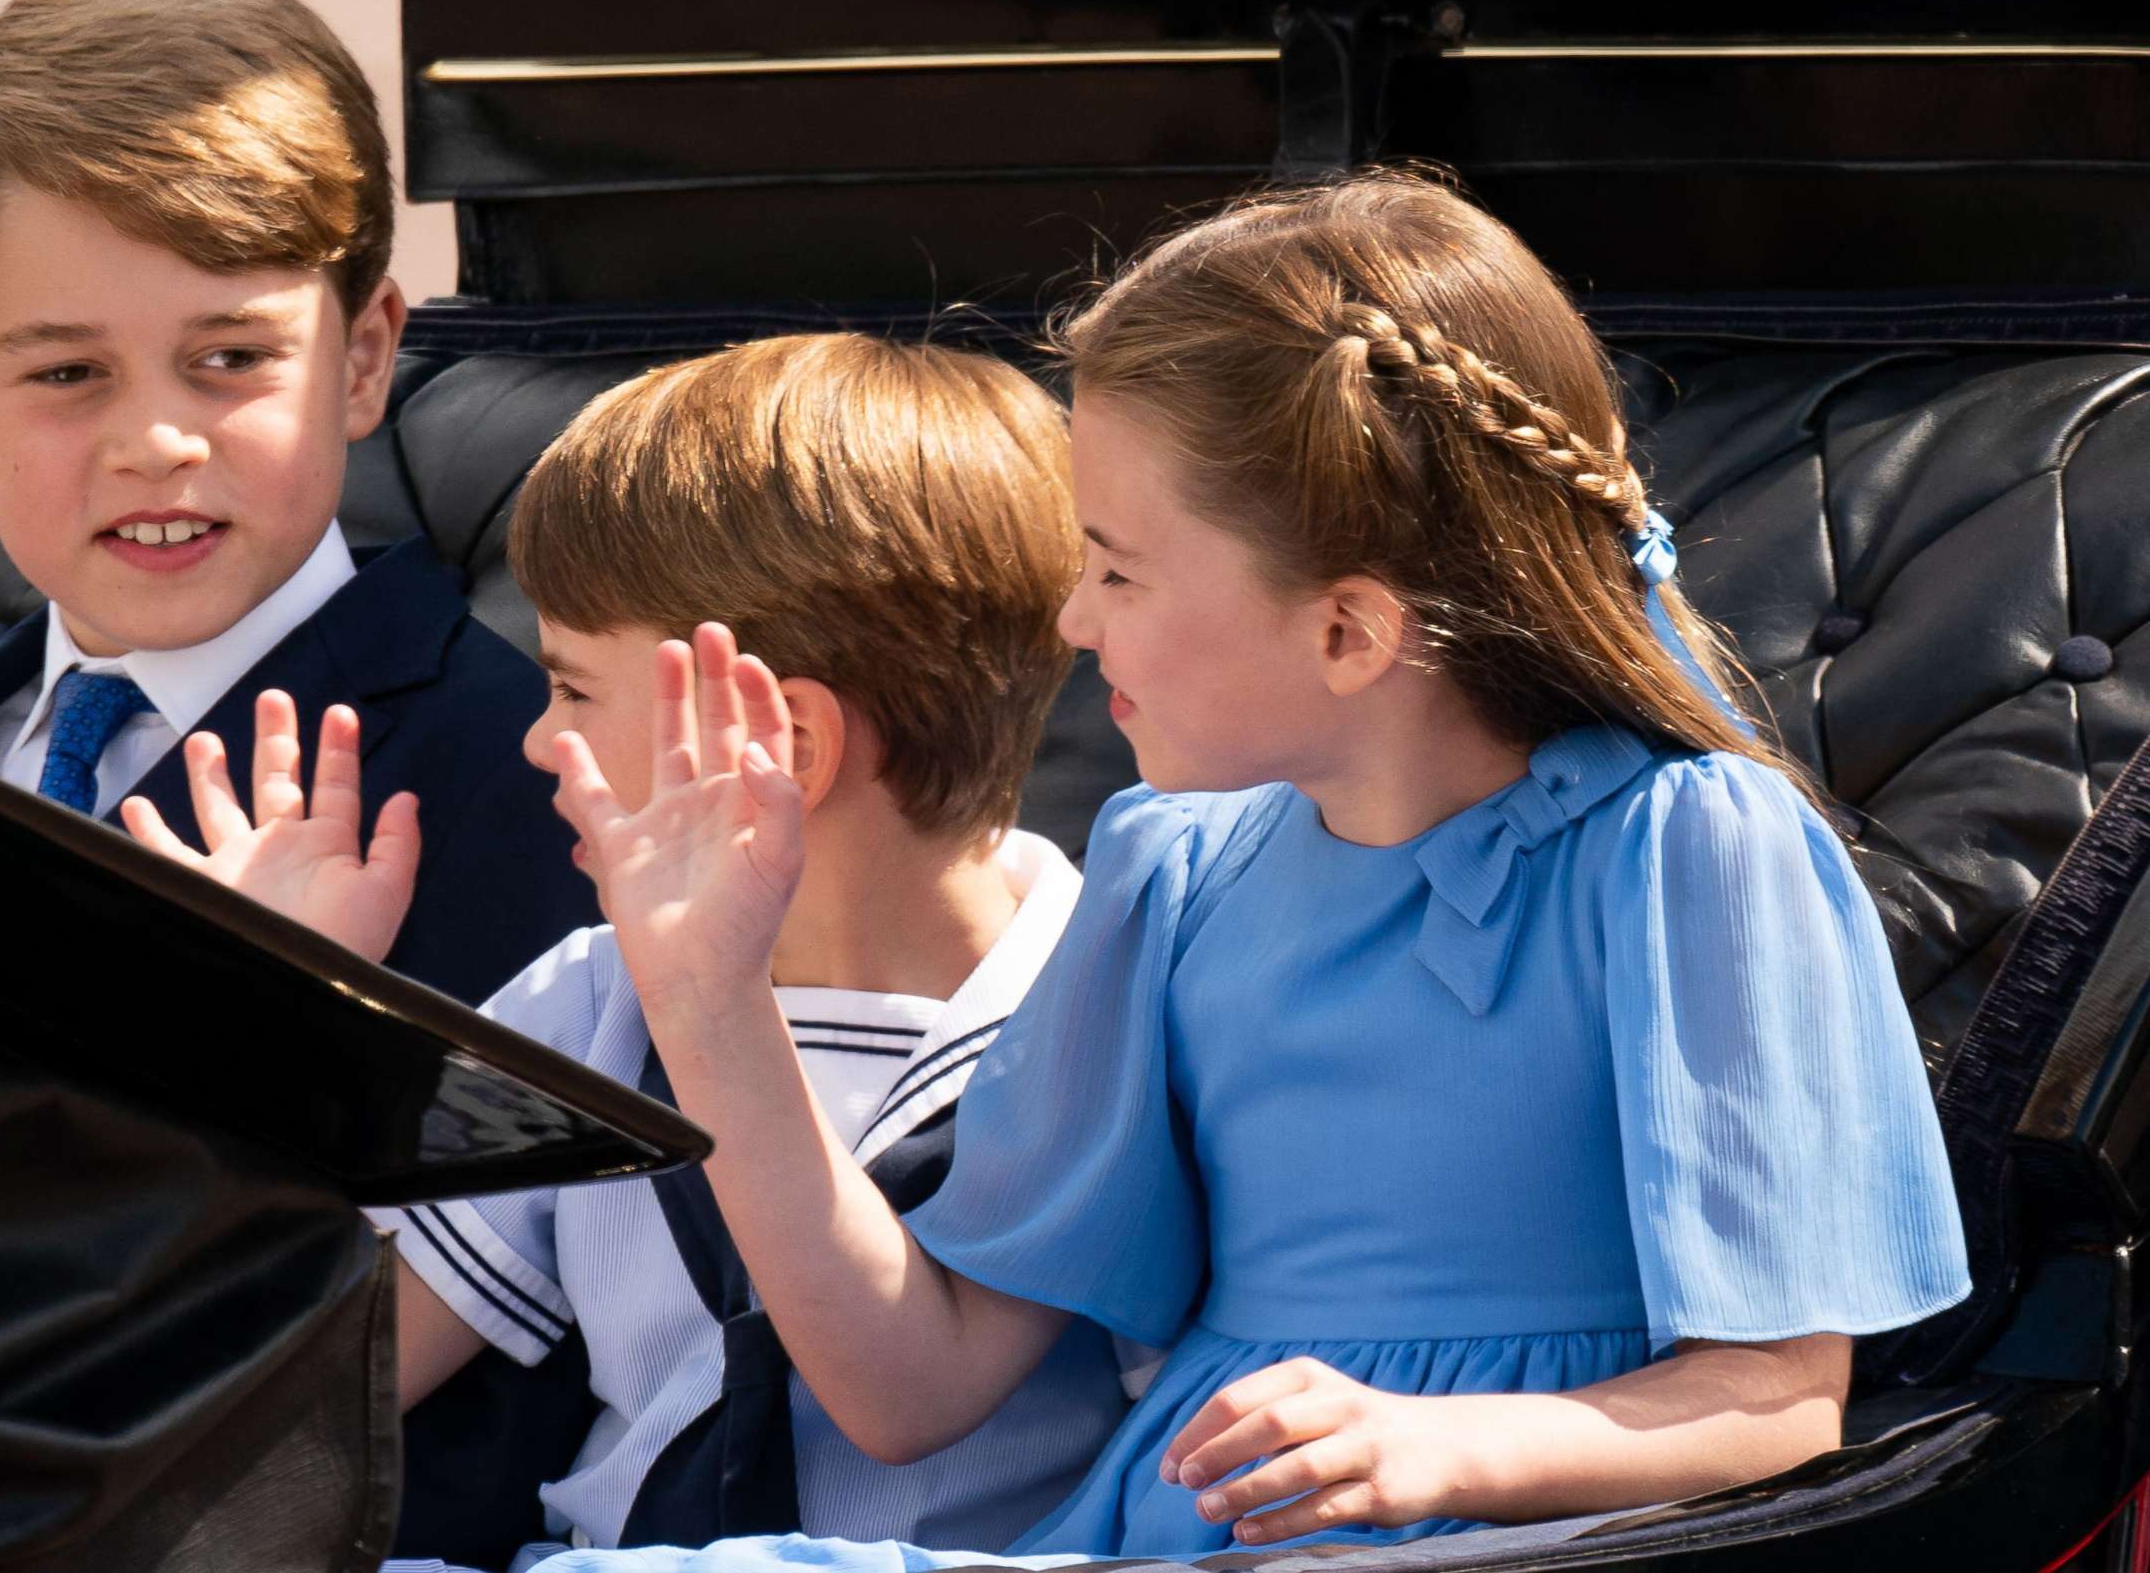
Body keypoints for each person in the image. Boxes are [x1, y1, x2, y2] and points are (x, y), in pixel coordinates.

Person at [512, 174, 1974, 1564]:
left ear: (1347, 631)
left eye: (1120, 568)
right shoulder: (1174, 871)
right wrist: (709, 1000)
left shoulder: (1690, 847)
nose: (1074, 621)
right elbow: (911, 1386)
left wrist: (1441, 1450)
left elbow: (1780, 1404)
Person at [132, 335, 1135, 1558]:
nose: (540, 740)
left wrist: (707, 1000)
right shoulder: (586, 1002)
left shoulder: (1104, 1004)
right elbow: (301, 1379)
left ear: (785, 747)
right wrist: (283, 1028)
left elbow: (902, 1402)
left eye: (576, 691)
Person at [0, 0, 592, 1004]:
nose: (156, 443)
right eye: (68, 372)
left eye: (232, 358)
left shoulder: (537, 792)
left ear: (363, 358)